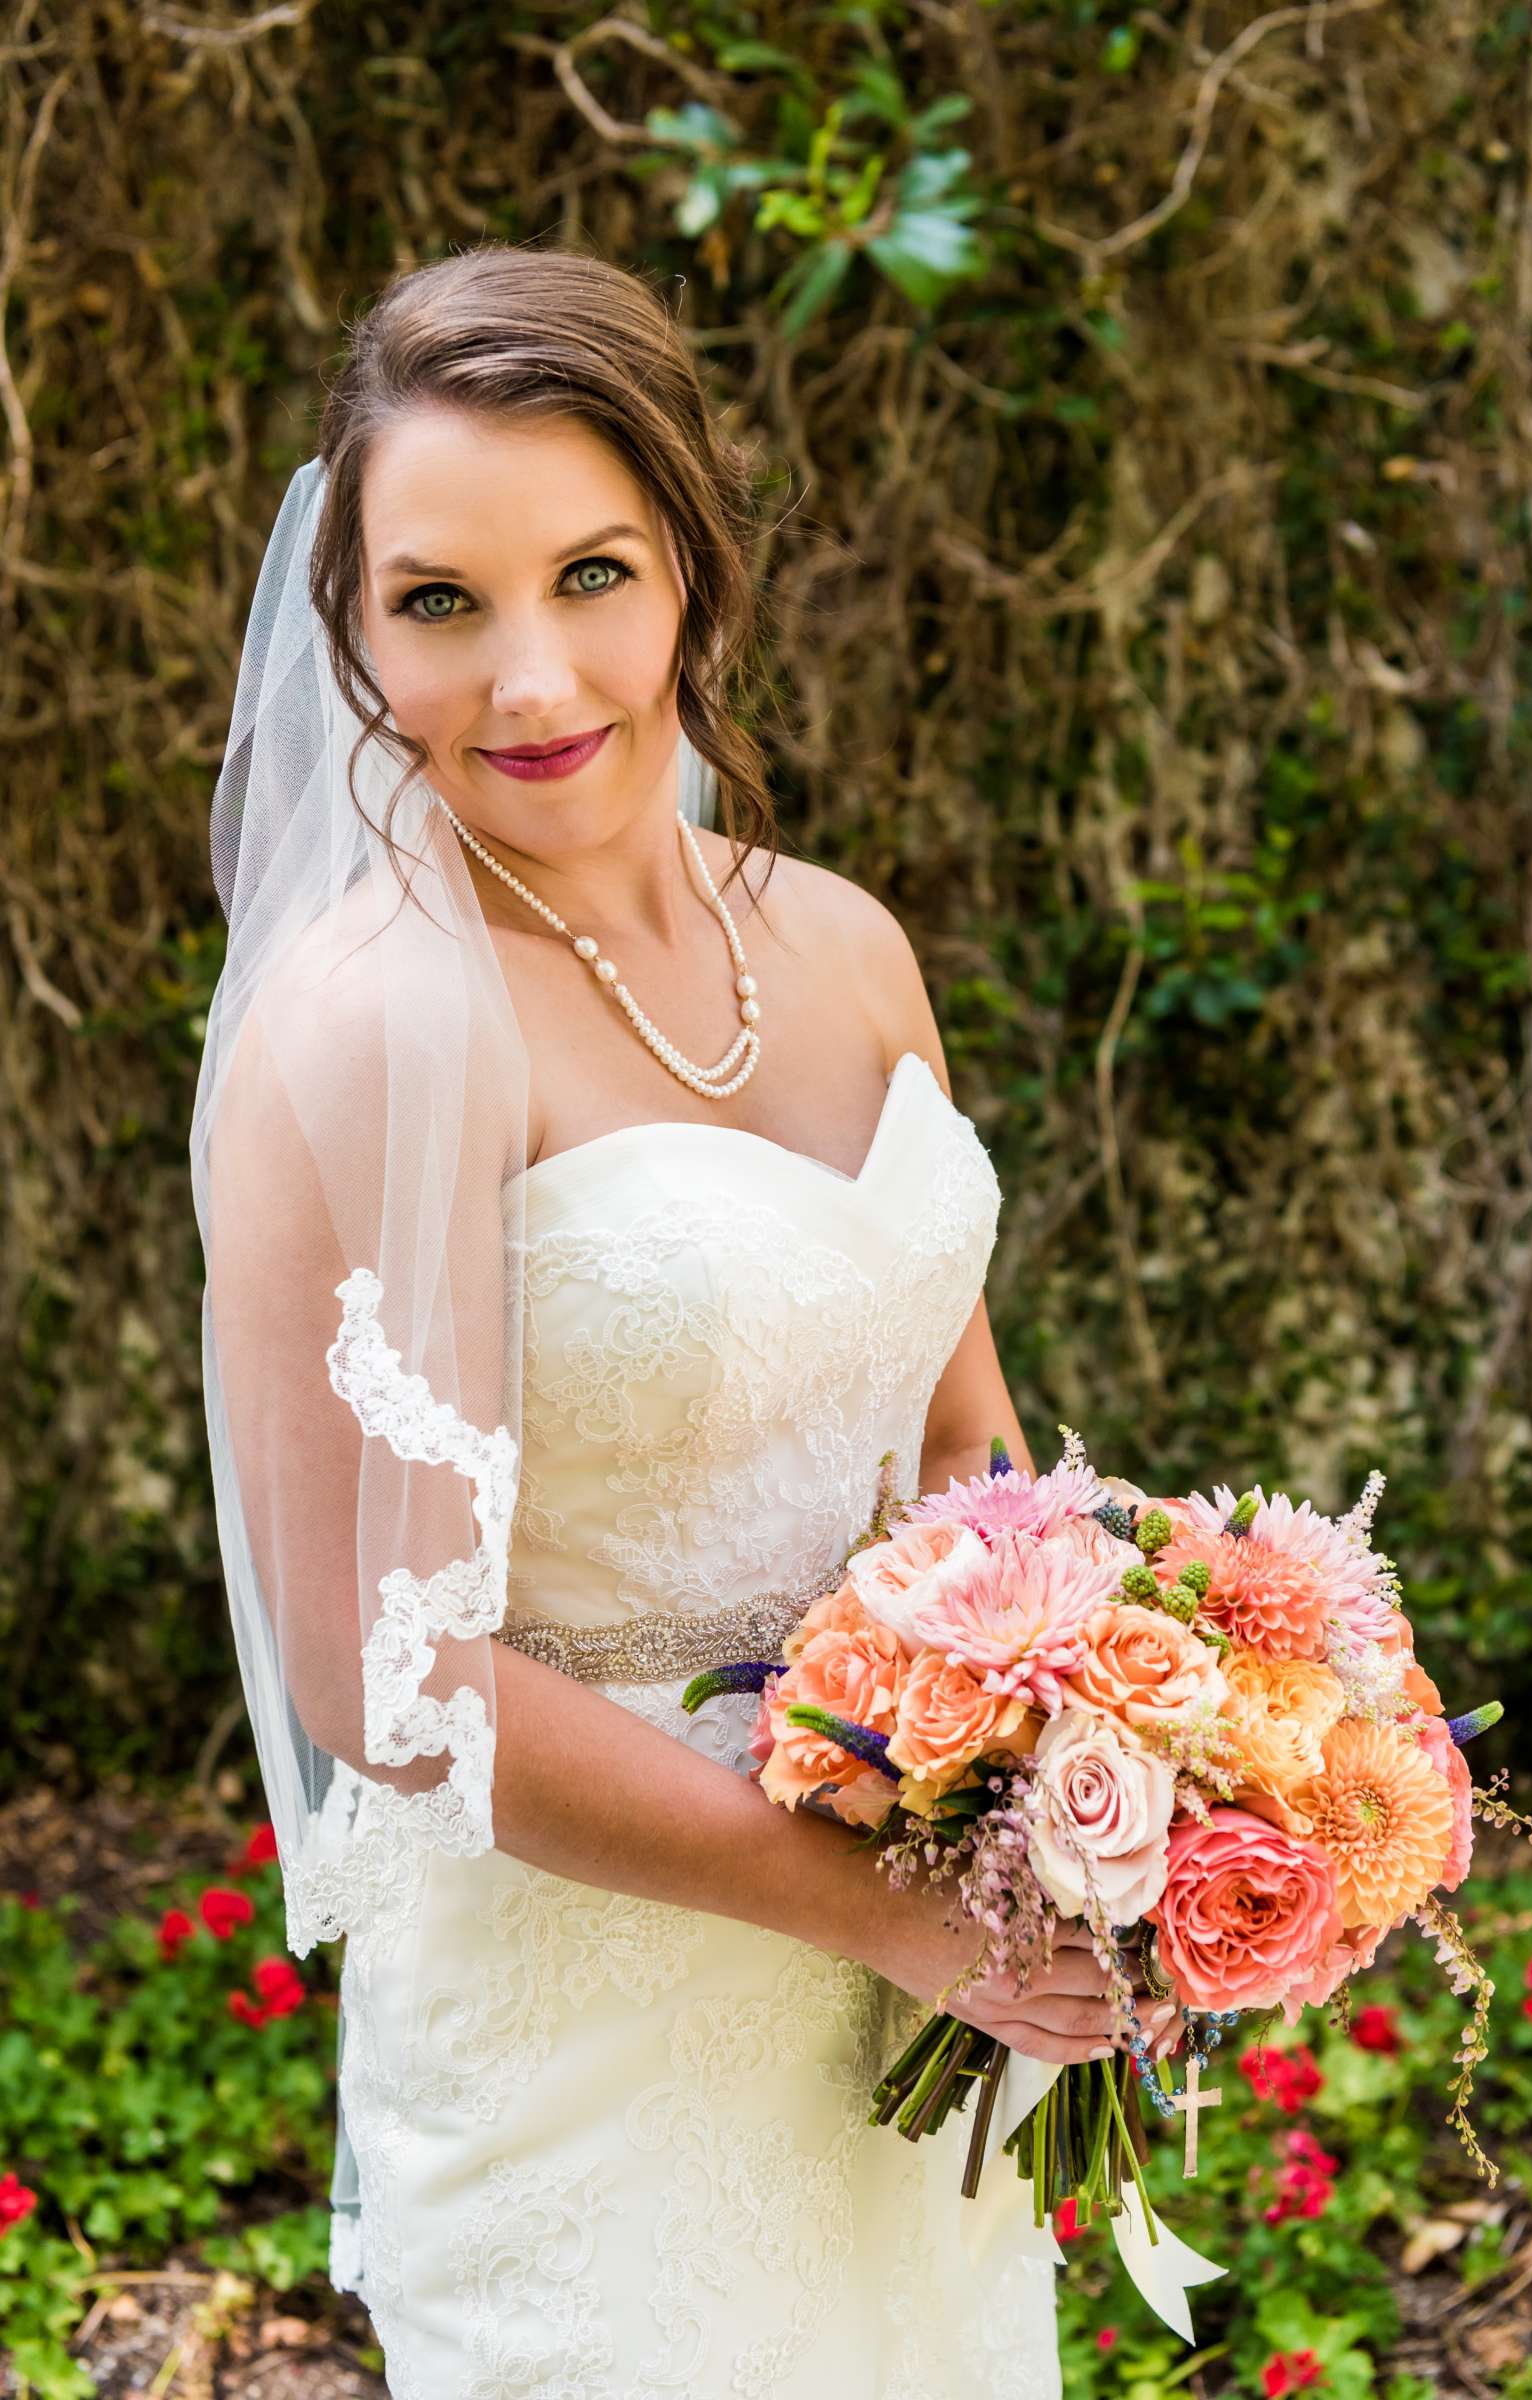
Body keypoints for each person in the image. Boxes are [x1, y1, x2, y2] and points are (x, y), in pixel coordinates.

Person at [191, 243, 1177, 2400]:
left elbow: (964, 1454)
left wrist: (1122, 1769)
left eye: (594, 573)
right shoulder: (370, 1033)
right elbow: (388, 1676)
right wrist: (882, 1911)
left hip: (924, 1982)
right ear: (353, 636)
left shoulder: (838, 946)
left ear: (698, 570)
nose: (531, 679)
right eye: (439, 601)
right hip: (601, 2035)